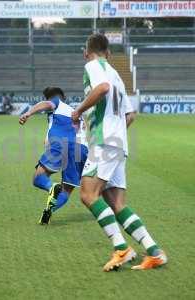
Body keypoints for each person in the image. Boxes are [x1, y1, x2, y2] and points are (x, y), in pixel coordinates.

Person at [71, 33, 166, 271]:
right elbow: (131, 115)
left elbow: (102, 88)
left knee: (87, 194)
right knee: (116, 203)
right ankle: (154, 252)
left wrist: (78, 110)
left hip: (105, 141)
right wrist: (116, 134)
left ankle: (121, 249)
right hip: (118, 142)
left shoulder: (93, 65)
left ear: (86, 51)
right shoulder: (117, 75)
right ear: (110, 53)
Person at [19, 87, 88, 224]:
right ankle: (48, 212)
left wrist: (29, 113)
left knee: (39, 178)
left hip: (61, 143)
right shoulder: (78, 114)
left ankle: (51, 187)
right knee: (66, 191)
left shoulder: (56, 102)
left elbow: (46, 104)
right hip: (82, 150)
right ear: (65, 96)